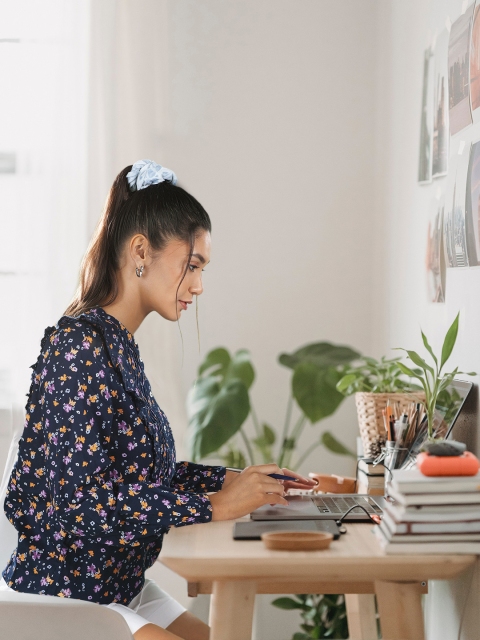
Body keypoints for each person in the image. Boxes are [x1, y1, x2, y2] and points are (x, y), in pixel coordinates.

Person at [1, 160, 316, 640]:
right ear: (141, 251)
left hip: (120, 586)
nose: (199, 286)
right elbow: (82, 504)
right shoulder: (79, 347)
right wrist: (214, 504)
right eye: (192, 265)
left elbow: (146, 474)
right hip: (67, 596)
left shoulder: (117, 346)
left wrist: (239, 481)